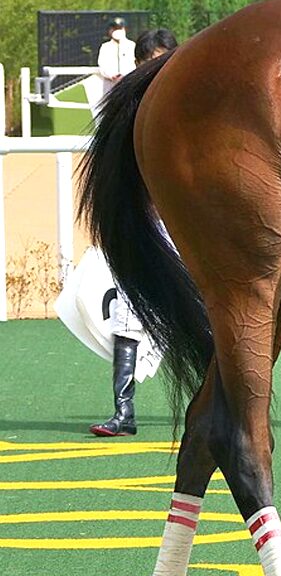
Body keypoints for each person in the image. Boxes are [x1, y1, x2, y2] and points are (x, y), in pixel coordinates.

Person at [89, 29, 179, 437]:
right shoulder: (125, 105)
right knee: (126, 317)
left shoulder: (192, 101)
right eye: (149, 63)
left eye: (161, 61)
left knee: (217, 316)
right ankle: (123, 412)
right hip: (145, 225)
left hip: (190, 225)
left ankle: (232, 409)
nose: (154, 70)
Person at [97, 17, 136, 97]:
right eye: (114, 28)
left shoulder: (132, 45)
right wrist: (111, 75)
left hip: (128, 83)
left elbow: (135, 64)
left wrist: (125, 76)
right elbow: (102, 65)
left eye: (119, 28)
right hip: (110, 85)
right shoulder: (105, 47)